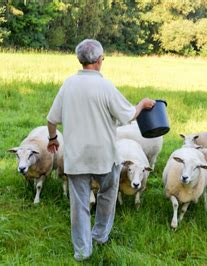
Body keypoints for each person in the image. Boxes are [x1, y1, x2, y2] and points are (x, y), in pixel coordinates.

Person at [46, 39, 155, 261]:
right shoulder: (105, 86)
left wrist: (52, 139)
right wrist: (142, 104)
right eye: (103, 58)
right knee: (107, 194)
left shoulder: (68, 84)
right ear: (98, 60)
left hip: (76, 157)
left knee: (79, 204)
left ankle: (82, 250)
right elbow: (127, 116)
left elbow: (51, 119)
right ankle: (100, 235)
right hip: (105, 157)